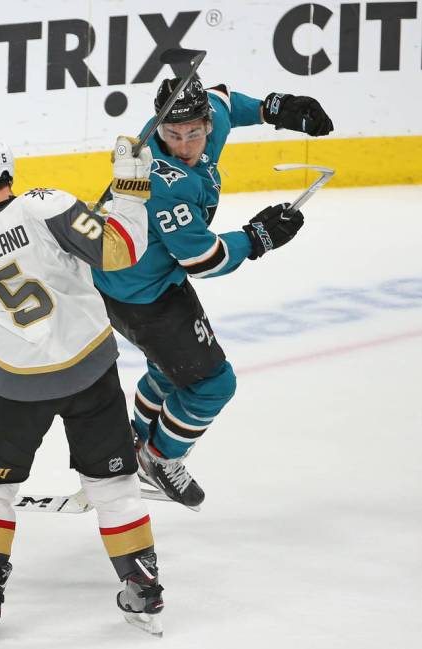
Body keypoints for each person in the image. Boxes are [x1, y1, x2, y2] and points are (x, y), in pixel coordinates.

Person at [0, 136, 164, 642]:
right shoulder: (46, 204)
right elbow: (120, 250)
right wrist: (130, 188)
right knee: (114, 486)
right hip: (91, 370)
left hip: (19, 383)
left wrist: (69, 245)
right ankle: (143, 586)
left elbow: (22, 253)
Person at [92, 78, 334, 508]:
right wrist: (258, 237)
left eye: (193, 133)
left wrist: (275, 108)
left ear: (206, 123)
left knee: (169, 370)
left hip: (119, 282)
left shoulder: (193, 118)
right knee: (213, 384)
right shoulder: (163, 183)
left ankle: (134, 437)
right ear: (160, 129)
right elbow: (205, 261)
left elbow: (226, 101)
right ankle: (160, 457)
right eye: (172, 135)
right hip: (145, 297)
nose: (183, 144)